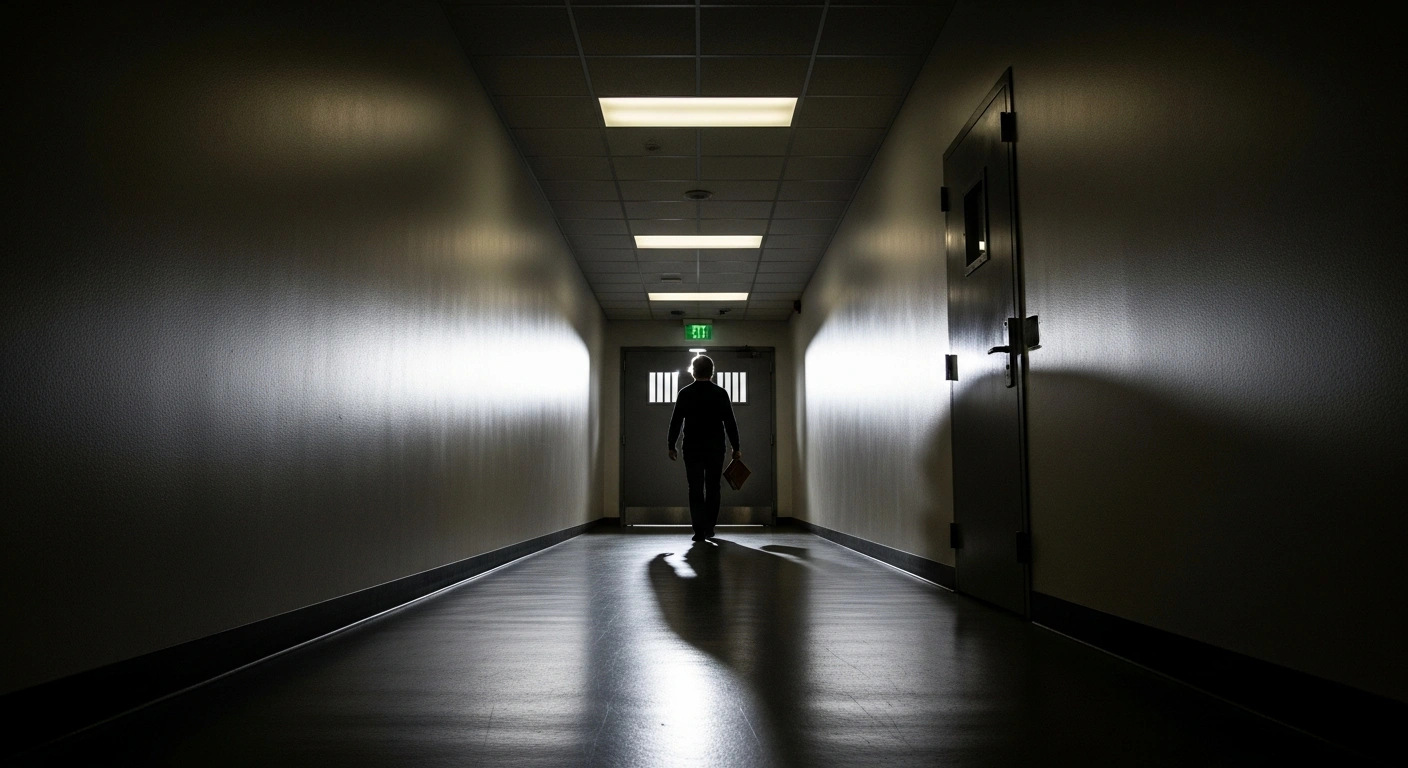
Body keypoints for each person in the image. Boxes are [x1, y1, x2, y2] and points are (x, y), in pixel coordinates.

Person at [667, 354, 742, 541]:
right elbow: (730, 423)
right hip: (715, 447)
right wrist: (736, 447)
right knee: (713, 487)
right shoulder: (720, 393)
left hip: (692, 447)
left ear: (693, 371)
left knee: (695, 488)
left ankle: (698, 530)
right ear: (712, 372)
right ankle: (709, 528)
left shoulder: (685, 393)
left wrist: (671, 445)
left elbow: (675, 422)